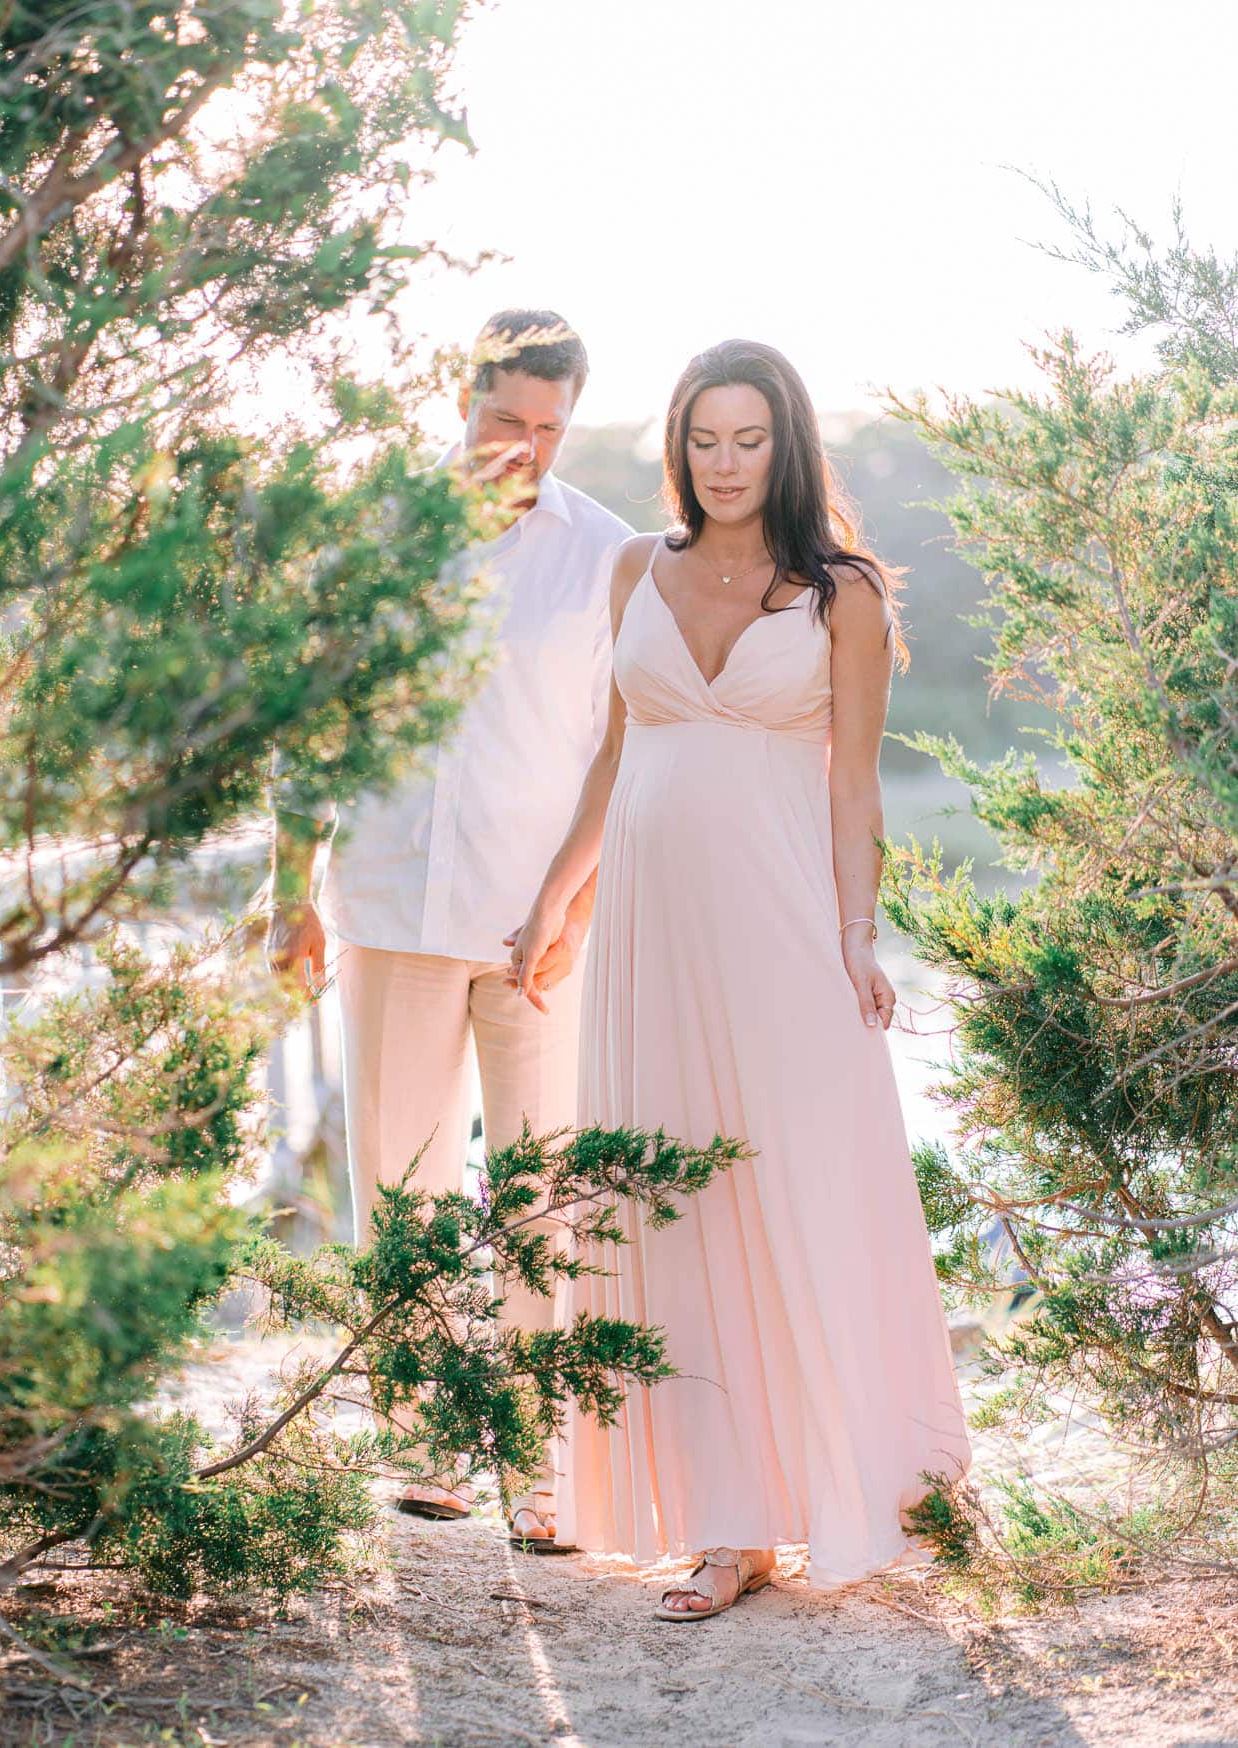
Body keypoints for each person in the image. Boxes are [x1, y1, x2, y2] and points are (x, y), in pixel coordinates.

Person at [508, 338, 972, 1617]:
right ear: (679, 445)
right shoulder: (630, 571)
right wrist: (558, 895)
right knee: (671, 1206)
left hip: (777, 933)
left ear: (787, 444)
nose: (724, 463)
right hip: (649, 941)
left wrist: (859, 932)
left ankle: (858, 1485)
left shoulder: (846, 592)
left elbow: (854, 781)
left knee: (798, 1191)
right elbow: (614, 755)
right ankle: (728, 1520)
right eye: (704, 439)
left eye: (747, 440)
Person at [268, 309, 633, 1543]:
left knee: (542, 1193)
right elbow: (314, 720)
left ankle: (544, 1463)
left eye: (548, 428)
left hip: (540, 924)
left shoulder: (606, 554)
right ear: (459, 400)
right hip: (391, 902)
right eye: (503, 420)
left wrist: (574, 903)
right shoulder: (375, 535)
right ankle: (428, 1440)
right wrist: (290, 892)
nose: (522, 448)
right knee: (403, 1189)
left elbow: (614, 749)